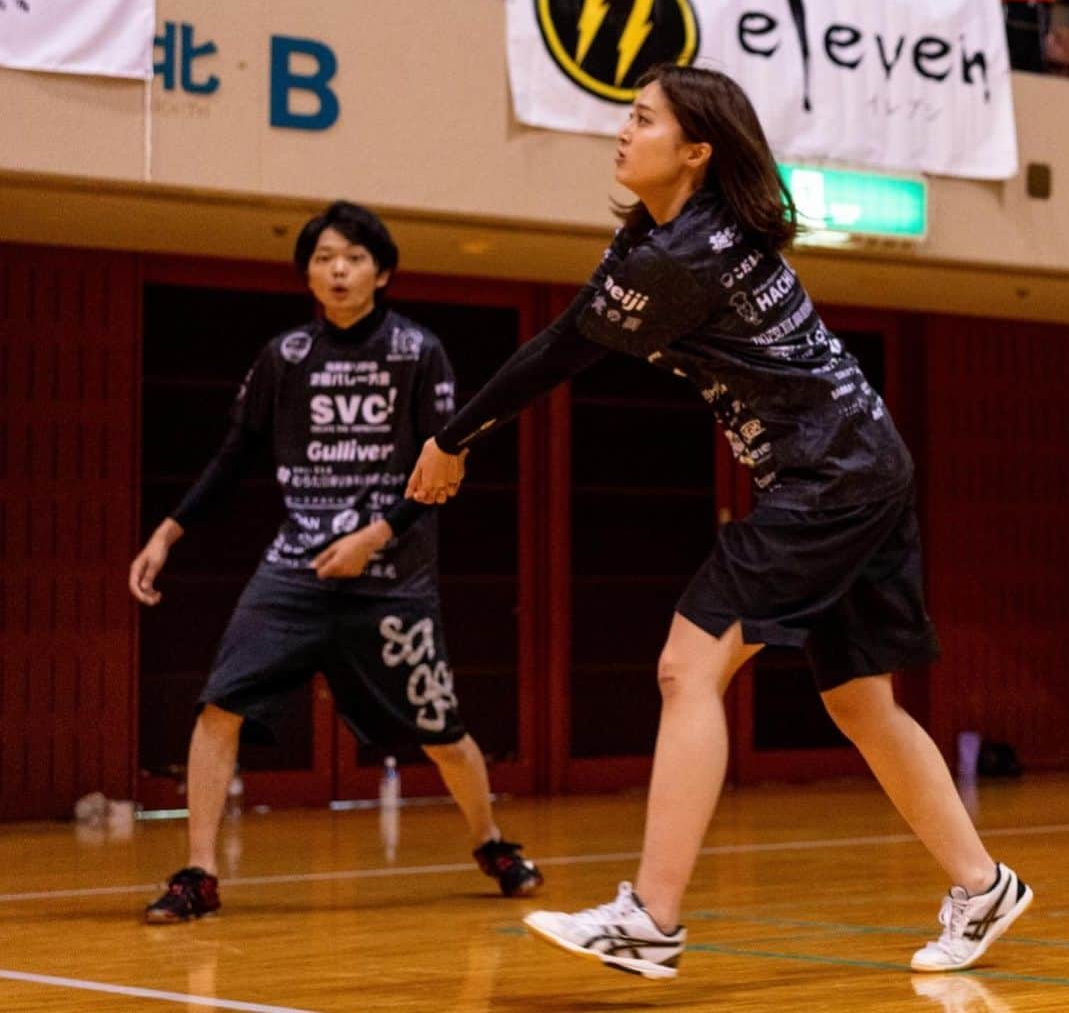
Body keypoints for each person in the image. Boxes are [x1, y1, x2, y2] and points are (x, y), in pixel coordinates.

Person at [407, 66, 1033, 981]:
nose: (623, 132)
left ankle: (651, 917)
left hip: (831, 474)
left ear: (696, 151)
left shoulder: (682, 257)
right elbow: (576, 331)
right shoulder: (669, 237)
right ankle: (982, 887)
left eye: (644, 119)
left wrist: (453, 439)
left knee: (685, 665)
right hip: (861, 463)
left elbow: (559, 349)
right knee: (861, 701)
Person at [129, 200, 542, 923]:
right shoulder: (284, 358)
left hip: (391, 578)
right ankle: (198, 871)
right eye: (323, 259)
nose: (338, 269)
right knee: (219, 706)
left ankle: (492, 843)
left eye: (352, 257)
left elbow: (444, 469)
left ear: (382, 272)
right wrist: (167, 532)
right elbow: (235, 454)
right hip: (295, 567)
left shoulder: (419, 352)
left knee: (441, 733)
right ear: (308, 277)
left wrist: (375, 535)